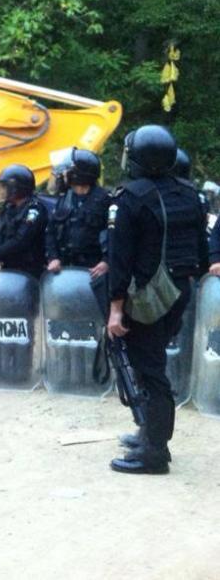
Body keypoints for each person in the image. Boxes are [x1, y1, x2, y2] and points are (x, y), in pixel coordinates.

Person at [107, 125, 208, 475]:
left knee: (150, 372)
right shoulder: (190, 194)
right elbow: (201, 250)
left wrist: (116, 310)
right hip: (179, 291)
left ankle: (155, 452)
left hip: (147, 296)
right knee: (152, 364)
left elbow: (120, 260)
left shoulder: (129, 197)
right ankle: (148, 434)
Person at [46, 149, 110, 278]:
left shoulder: (105, 200)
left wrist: (106, 261)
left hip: (93, 272)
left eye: (66, 171)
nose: (62, 175)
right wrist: (53, 257)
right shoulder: (65, 198)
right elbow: (50, 231)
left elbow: (117, 235)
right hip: (65, 270)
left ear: (77, 174)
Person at [0, 164, 47, 279]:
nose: (2, 191)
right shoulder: (9, 208)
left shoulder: (34, 210)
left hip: (30, 272)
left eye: (6, 187)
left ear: (16, 188)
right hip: (8, 269)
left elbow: (21, 240)